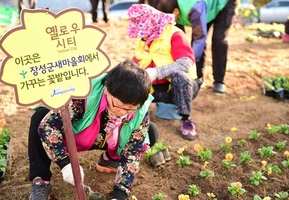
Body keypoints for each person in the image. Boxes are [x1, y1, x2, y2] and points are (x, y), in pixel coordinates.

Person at [28, 59, 159, 200]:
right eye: (118, 106)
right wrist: (65, 164)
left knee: (149, 132)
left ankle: (110, 159)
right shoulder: (84, 94)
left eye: (129, 108)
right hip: (75, 134)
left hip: (106, 139)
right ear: (107, 90)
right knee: (40, 118)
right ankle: (41, 180)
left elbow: (133, 153)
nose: (122, 112)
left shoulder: (139, 111)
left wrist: (119, 195)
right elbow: (48, 126)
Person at [127, 4, 201, 141]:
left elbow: (185, 63)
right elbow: (136, 60)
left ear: (152, 26)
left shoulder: (174, 34)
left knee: (180, 77)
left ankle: (186, 120)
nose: (141, 36)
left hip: (181, 88)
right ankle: (139, 118)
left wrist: (156, 72)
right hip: (158, 89)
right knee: (131, 78)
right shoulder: (144, 40)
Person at [149, 0, 238, 93]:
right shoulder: (170, 9)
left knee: (217, 39)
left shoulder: (195, 8)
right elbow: (178, 41)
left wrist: (187, 65)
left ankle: (219, 80)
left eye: (167, 19)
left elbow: (199, 38)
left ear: (175, 12)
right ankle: (197, 78)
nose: (166, 22)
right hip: (205, 7)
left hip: (224, 3)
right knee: (195, 40)